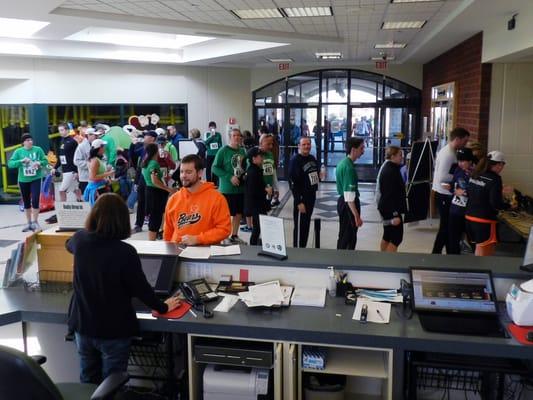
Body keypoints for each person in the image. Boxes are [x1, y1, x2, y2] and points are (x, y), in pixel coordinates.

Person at [66, 193, 180, 384]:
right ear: (121, 220)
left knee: (88, 382)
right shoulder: (125, 252)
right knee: (112, 385)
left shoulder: (80, 240)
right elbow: (141, 289)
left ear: (93, 215)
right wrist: (163, 307)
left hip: (83, 327)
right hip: (114, 331)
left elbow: (68, 244)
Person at [164, 154, 231, 245]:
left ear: (200, 173)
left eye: (188, 172)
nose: (183, 176)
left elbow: (224, 230)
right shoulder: (173, 199)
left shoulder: (217, 198)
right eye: (181, 172)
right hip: (177, 253)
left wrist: (198, 239)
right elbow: (168, 232)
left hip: (205, 254)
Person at [465, 151, 513, 256]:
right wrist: (509, 206)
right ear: (499, 164)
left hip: (469, 219)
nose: (502, 168)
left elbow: (469, 193)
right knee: (483, 257)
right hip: (483, 222)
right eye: (502, 165)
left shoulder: (476, 174)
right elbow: (495, 203)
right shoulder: (495, 179)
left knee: (477, 251)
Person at [431, 127, 470, 254]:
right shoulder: (448, 154)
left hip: (444, 193)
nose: (465, 144)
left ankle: (450, 253)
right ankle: (435, 253)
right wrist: (460, 177)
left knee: (448, 228)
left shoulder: (450, 151)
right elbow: (442, 177)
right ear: (457, 139)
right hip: (444, 194)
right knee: (445, 227)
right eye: (465, 141)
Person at [212, 128, 247, 244]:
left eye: (239, 135)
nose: (237, 137)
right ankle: (224, 236)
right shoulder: (223, 151)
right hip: (227, 189)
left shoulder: (243, 151)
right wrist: (229, 177)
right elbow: (215, 167)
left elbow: (245, 166)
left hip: (240, 189)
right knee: (226, 215)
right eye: (234, 136)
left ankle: (234, 235)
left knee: (238, 214)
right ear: (230, 137)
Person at [8, 134, 48, 232]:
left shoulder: (38, 149)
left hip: (36, 178)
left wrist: (39, 163)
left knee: (35, 200)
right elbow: (10, 164)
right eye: (28, 140)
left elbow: (45, 160)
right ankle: (28, 223)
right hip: (23, 180)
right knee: (26, 201)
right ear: (23, 142)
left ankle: (35, 222)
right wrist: (21, 161)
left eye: (31, 140)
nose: (30, 141)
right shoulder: (18, 151)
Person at [288, 136, 320, 248]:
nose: (306, 146)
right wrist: (298, 201)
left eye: (308, 144)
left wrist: (320, 177)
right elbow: (293, 183)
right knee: (300, 226)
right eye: (304, 144)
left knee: (306, 224)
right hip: (301, 199)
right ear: (299, 146)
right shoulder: (295, 160)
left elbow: (314, 175)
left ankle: (303, 248)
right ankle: (298, 250)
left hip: (311, 196)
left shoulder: (312, 158)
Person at [376, 146, 407, 252]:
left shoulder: (390, 167)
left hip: (387, 208)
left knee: (388, 235)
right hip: (390, 210)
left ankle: (383, 260)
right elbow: (389, 195)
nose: (402, 158)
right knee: (396, 238)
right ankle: (388, 262)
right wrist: (394, 213)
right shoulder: (390, 171)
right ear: (392, 156)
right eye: (400, 155)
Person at [142, 143, 176, 241]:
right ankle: (152, 241)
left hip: (149, 190)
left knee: (156, 215)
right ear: (155, 151)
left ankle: (155, 237)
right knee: (155, 217)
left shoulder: (145, 162)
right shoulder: (154, 164)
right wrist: (168, 189)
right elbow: (155, 180)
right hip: (155, 192)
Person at [336, 137, 365, 250]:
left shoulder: (343, 163)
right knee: (349, 238)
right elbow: (349, 197)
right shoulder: (349, 168)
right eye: (361, 148)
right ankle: (344, 262)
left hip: (343, 202)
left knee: (344, 235)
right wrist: (356, 216)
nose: (363, 151)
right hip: (348, 205)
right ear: (353, 150)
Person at [447, 148, 475, 255]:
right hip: (455, 209)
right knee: (453, 239)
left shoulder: (476, 173)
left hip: (469, 212)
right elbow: (453, 184)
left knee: (472, 240)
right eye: (459, 161)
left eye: (463, 161)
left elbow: (478, 192)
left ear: (470, 161)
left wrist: (464, 193)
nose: (460, 163)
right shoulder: (458, 169)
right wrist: (452, 189)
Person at [244, 147, 272, 245]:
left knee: (258, 227)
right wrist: (266, 191)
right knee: (258, 227)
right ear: (254, 159)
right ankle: (253, 244)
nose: (262, 158)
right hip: (256, 206)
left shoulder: (255, 170)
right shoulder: (253, 172)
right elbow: (253, 191)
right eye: (260, 156)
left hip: (258, 205)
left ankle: (255, 243)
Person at [131, 130, 157, 233]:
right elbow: (136, 160)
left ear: (152, 138)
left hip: (151, 180)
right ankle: (138, 224)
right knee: (141, 201)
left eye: (147, 136)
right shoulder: (143, 149)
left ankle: (153, 225)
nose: (144, 137)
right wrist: (132, 145)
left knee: (151, 202)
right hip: (142, 178)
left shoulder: (157, 149)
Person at [53, 123, 82, 202]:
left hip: (71, 170)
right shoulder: (62, 141)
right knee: (75, 189)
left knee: (62, 190)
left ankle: (62, 208)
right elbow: (60, 157)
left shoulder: (73, 142)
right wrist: (55, 168)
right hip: (65, 170)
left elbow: (77, 157)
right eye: (59, 130)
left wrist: (76, 171)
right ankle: (80, 202)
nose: (61, 132)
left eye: (62, 130)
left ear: (67, 130)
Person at [84, 139, 114, 205]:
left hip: (100, 187)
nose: (105, 148)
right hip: (97, 189)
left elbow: (97, 173)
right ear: (100, 148)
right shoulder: (95, 160)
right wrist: (108, 173)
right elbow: (92, 177)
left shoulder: (96, 159)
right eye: (103, 146)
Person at [74, 127, 99, 193]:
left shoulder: (97, 145)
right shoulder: (81, 146)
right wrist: (90, 164)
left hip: (97, 177)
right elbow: (76, 161)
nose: (96, 136)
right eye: (95, 135)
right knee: (87, 199)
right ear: (89, 135)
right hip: (85, 178)